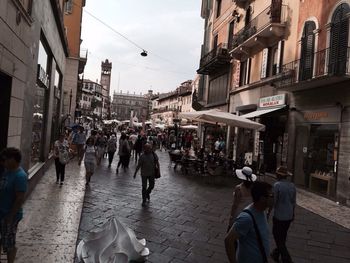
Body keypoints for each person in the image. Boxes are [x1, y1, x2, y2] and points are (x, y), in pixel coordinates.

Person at [225, 181, 273, 263]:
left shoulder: (262, 211)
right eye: (272, 196)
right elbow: (228, 240)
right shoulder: (246, 218)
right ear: (262, 199)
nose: (275, 198)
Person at [0, 148, 28, 263]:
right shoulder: (6, 171)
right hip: (2, 212)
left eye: (5, 160)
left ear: (13, 160)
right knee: (3, 239)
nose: (3, 162)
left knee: (9, 242)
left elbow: (19, 198)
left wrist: (11, 216)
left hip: (9, 215)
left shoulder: (20, 176)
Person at [269, 166, 296, 263]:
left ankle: (286, 258)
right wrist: (293, 214)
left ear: (278, 175)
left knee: (277, 235)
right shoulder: (292, 186)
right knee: (283, 236)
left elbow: (274, 201)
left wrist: (268, 212)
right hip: (289, 215)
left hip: (279, 216)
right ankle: (276, 253)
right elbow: (293, 202)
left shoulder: (277, 185)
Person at [227, 166, 257, 232]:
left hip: (239, 214)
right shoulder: (254, 188)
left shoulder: (239, 188)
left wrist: (231, 216)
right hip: (249, 215)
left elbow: (235, 204)